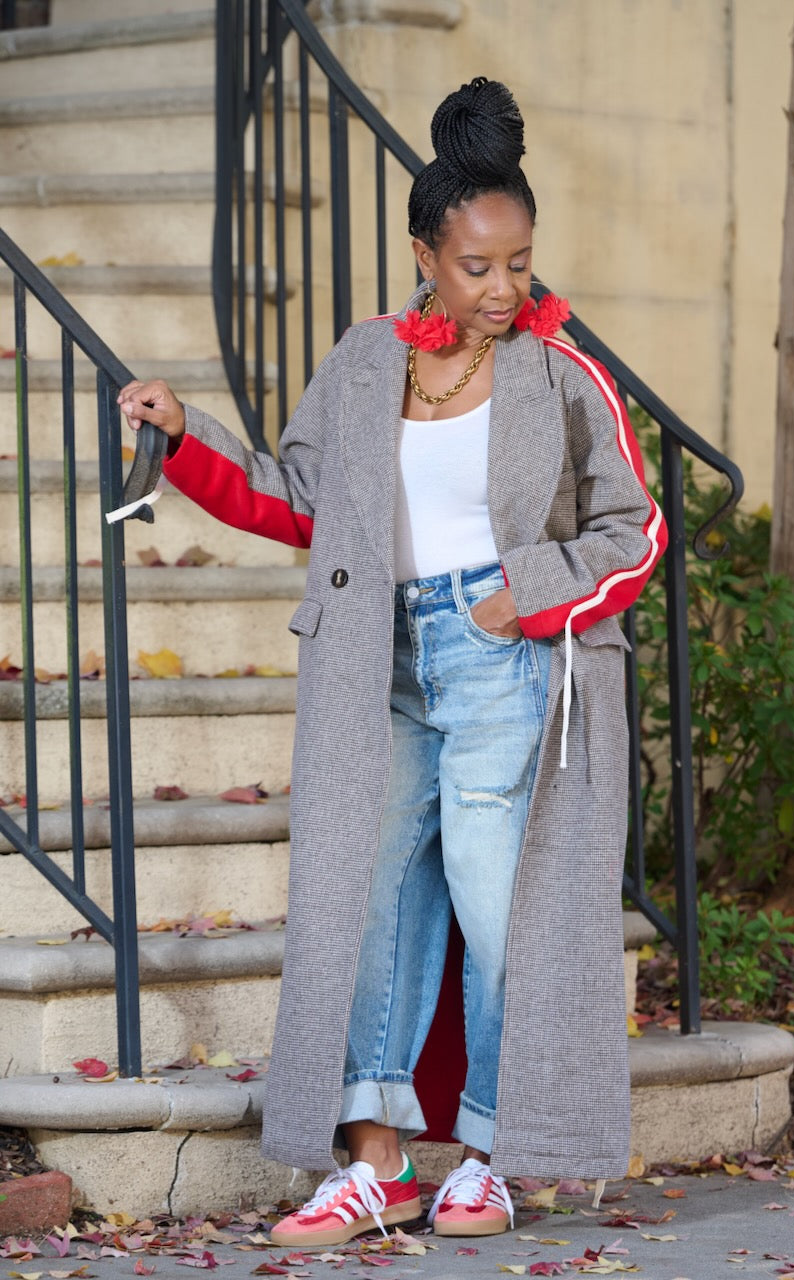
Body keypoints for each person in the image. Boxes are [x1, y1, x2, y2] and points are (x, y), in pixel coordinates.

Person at [118, 76, 666, 1249]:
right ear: (424, 255)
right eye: (476, 266)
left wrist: (528, 593)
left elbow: (634, 529)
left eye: (518, 262)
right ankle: (374, 1164)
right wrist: (183, 434)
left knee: (493, 908)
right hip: (378, 660)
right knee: (365, 903)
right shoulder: (366, 362)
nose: (503, 287)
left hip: (499, 657)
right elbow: (300, 499)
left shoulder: (561, 373)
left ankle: (489, 1157)